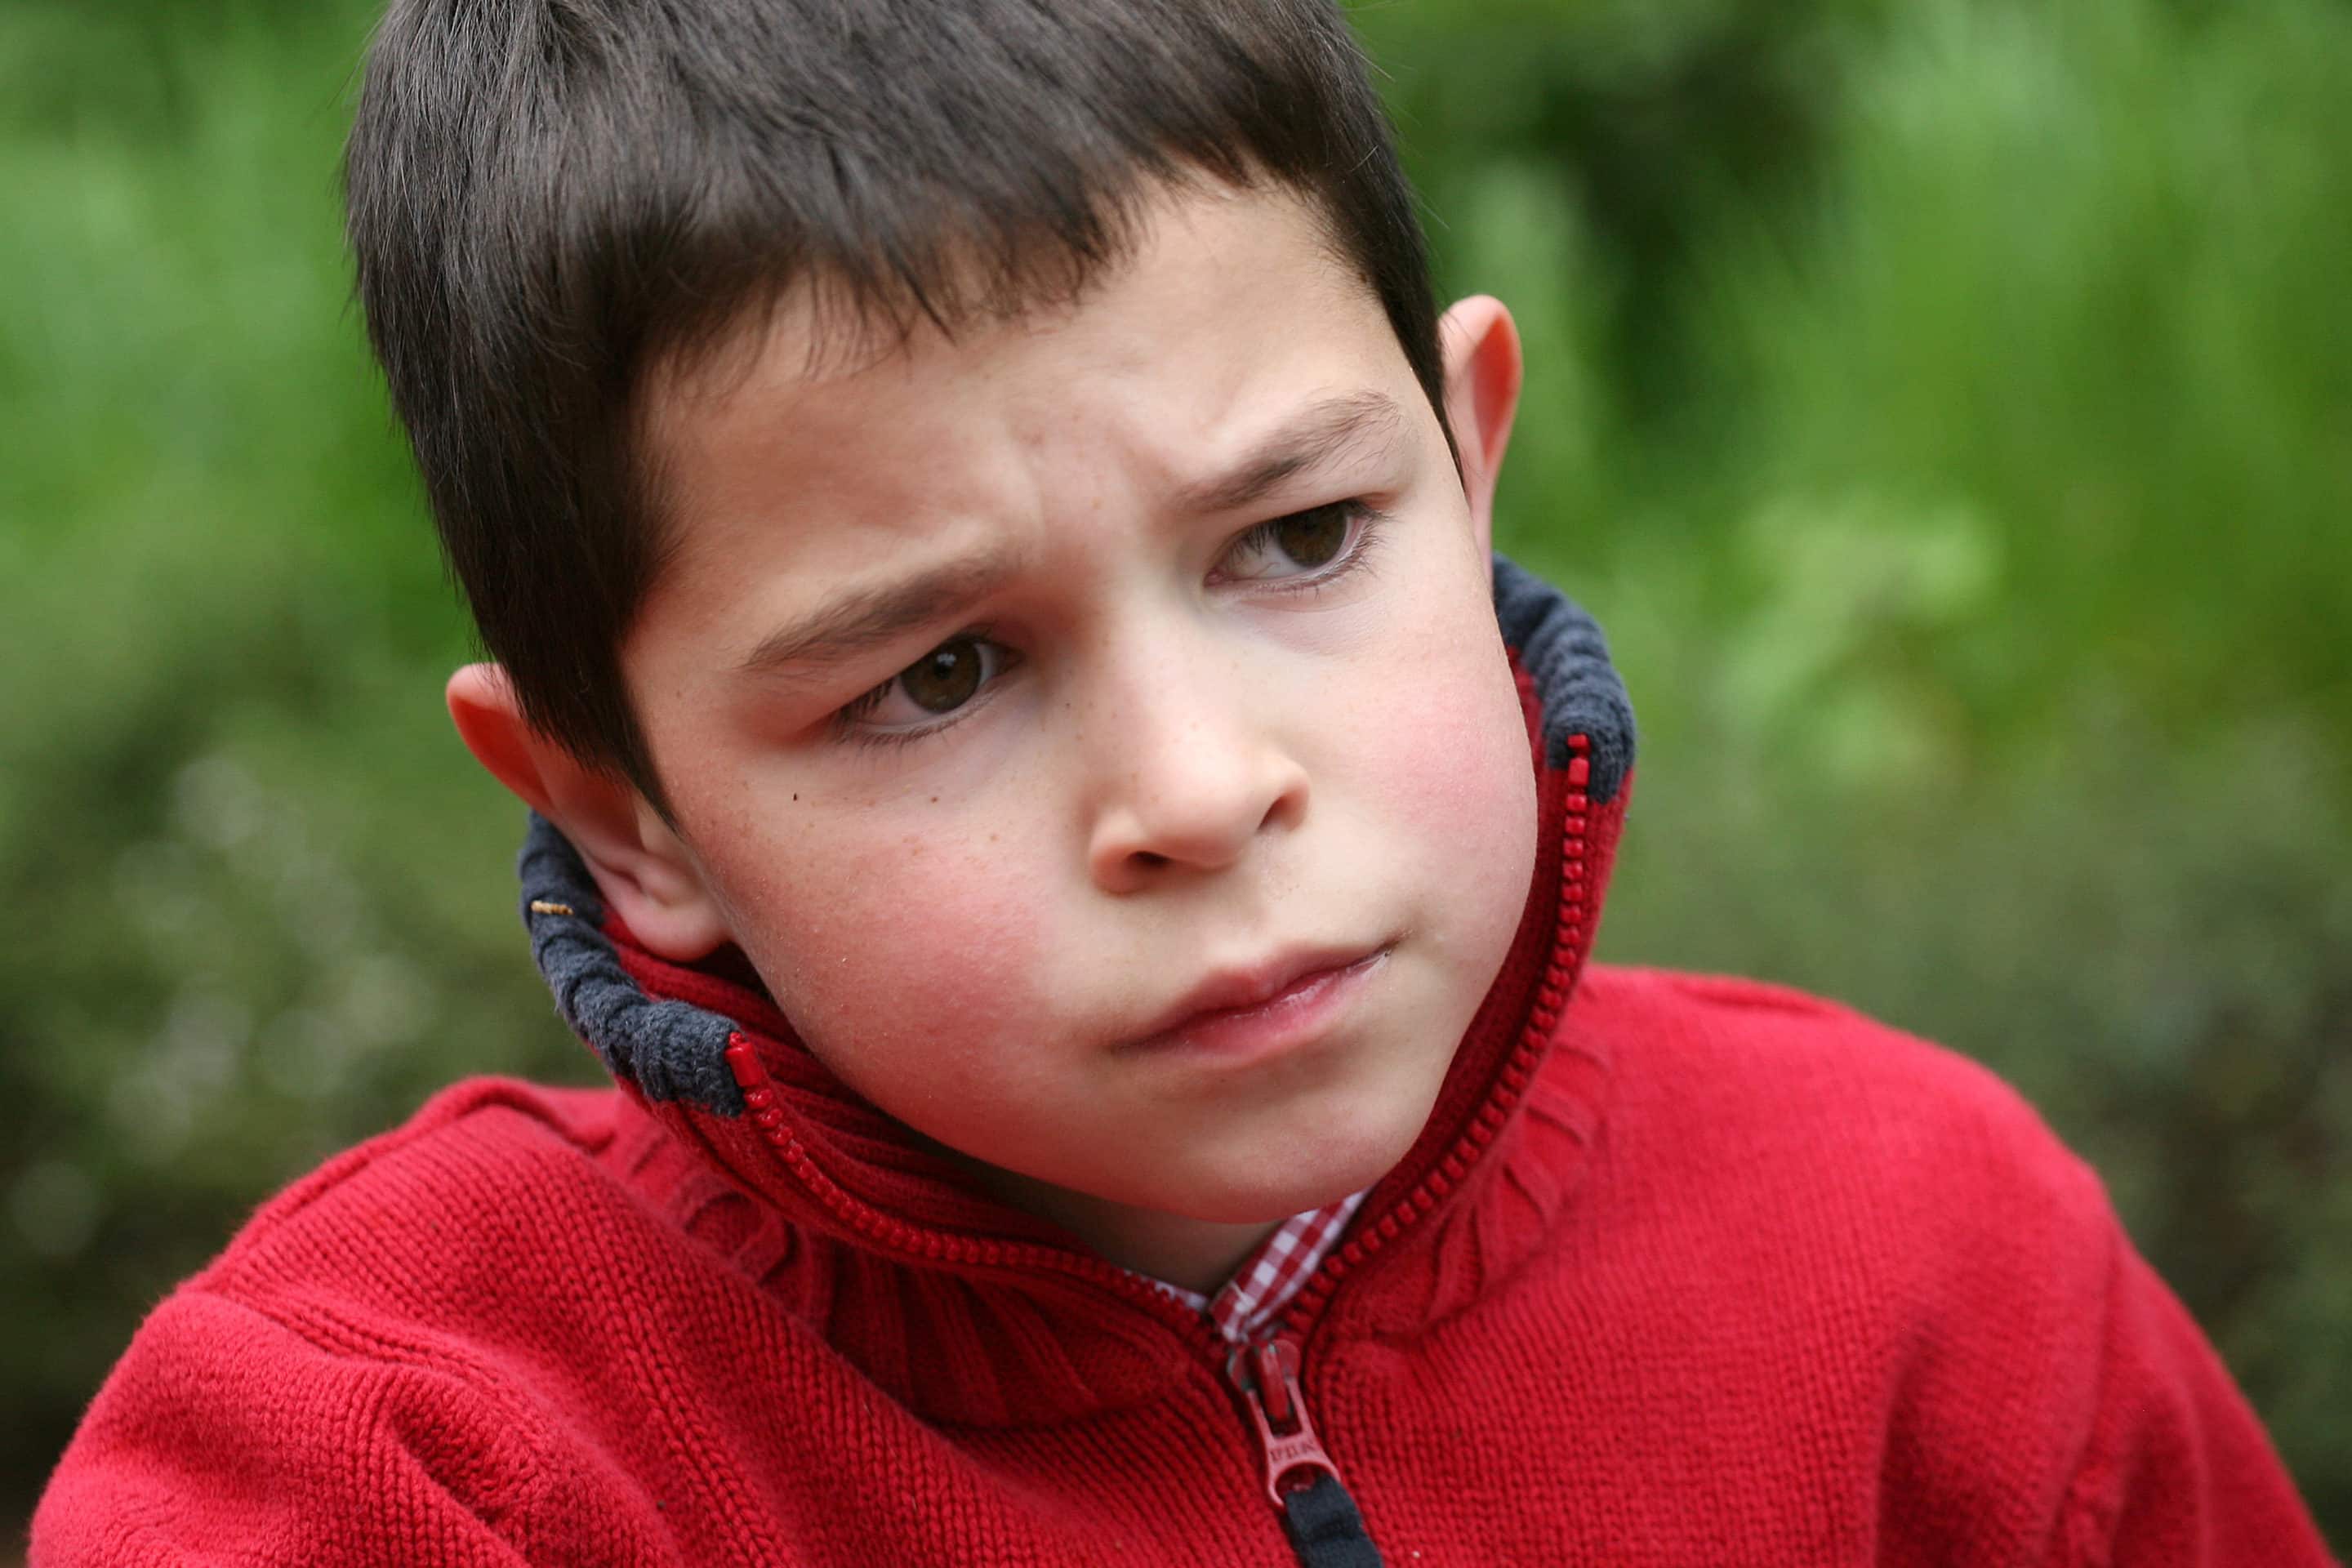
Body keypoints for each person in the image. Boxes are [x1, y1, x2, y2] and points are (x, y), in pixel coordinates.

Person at [31, 1, 2336, 1563]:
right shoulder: (412, 1461)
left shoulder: (1937, 1266)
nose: (1204, 791)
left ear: (1470, 458)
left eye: (1301, 540)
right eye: (937, 676)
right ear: (619, 801)